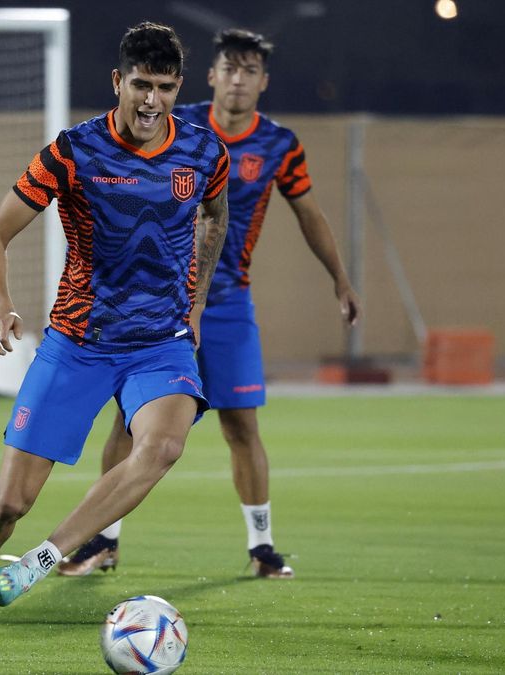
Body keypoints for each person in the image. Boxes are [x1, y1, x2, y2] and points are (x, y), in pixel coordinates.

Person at [0, 22, 230, 665]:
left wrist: (198, 303)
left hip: (162, 343)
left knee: (165, 445)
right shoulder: (73, 151)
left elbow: (216, 215)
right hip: (80, 340)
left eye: (167, 88)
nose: (153, 102)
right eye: (142, 86)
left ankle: (45, 558)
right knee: (8, 504)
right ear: (118, 82)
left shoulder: (205, 152)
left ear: (179, 88)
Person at [59, 29, 362, 580]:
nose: (239, 79)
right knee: (129, 425)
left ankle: (263, 547)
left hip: (227, 305)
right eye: (230, 68)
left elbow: (309, 215)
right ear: (212, 75)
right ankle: (101, 542)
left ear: (263, 82)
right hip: (157, 304)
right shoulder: (177, 125)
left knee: (241, 426)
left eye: (250, 71)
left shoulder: (279, 145)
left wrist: (340, 279)